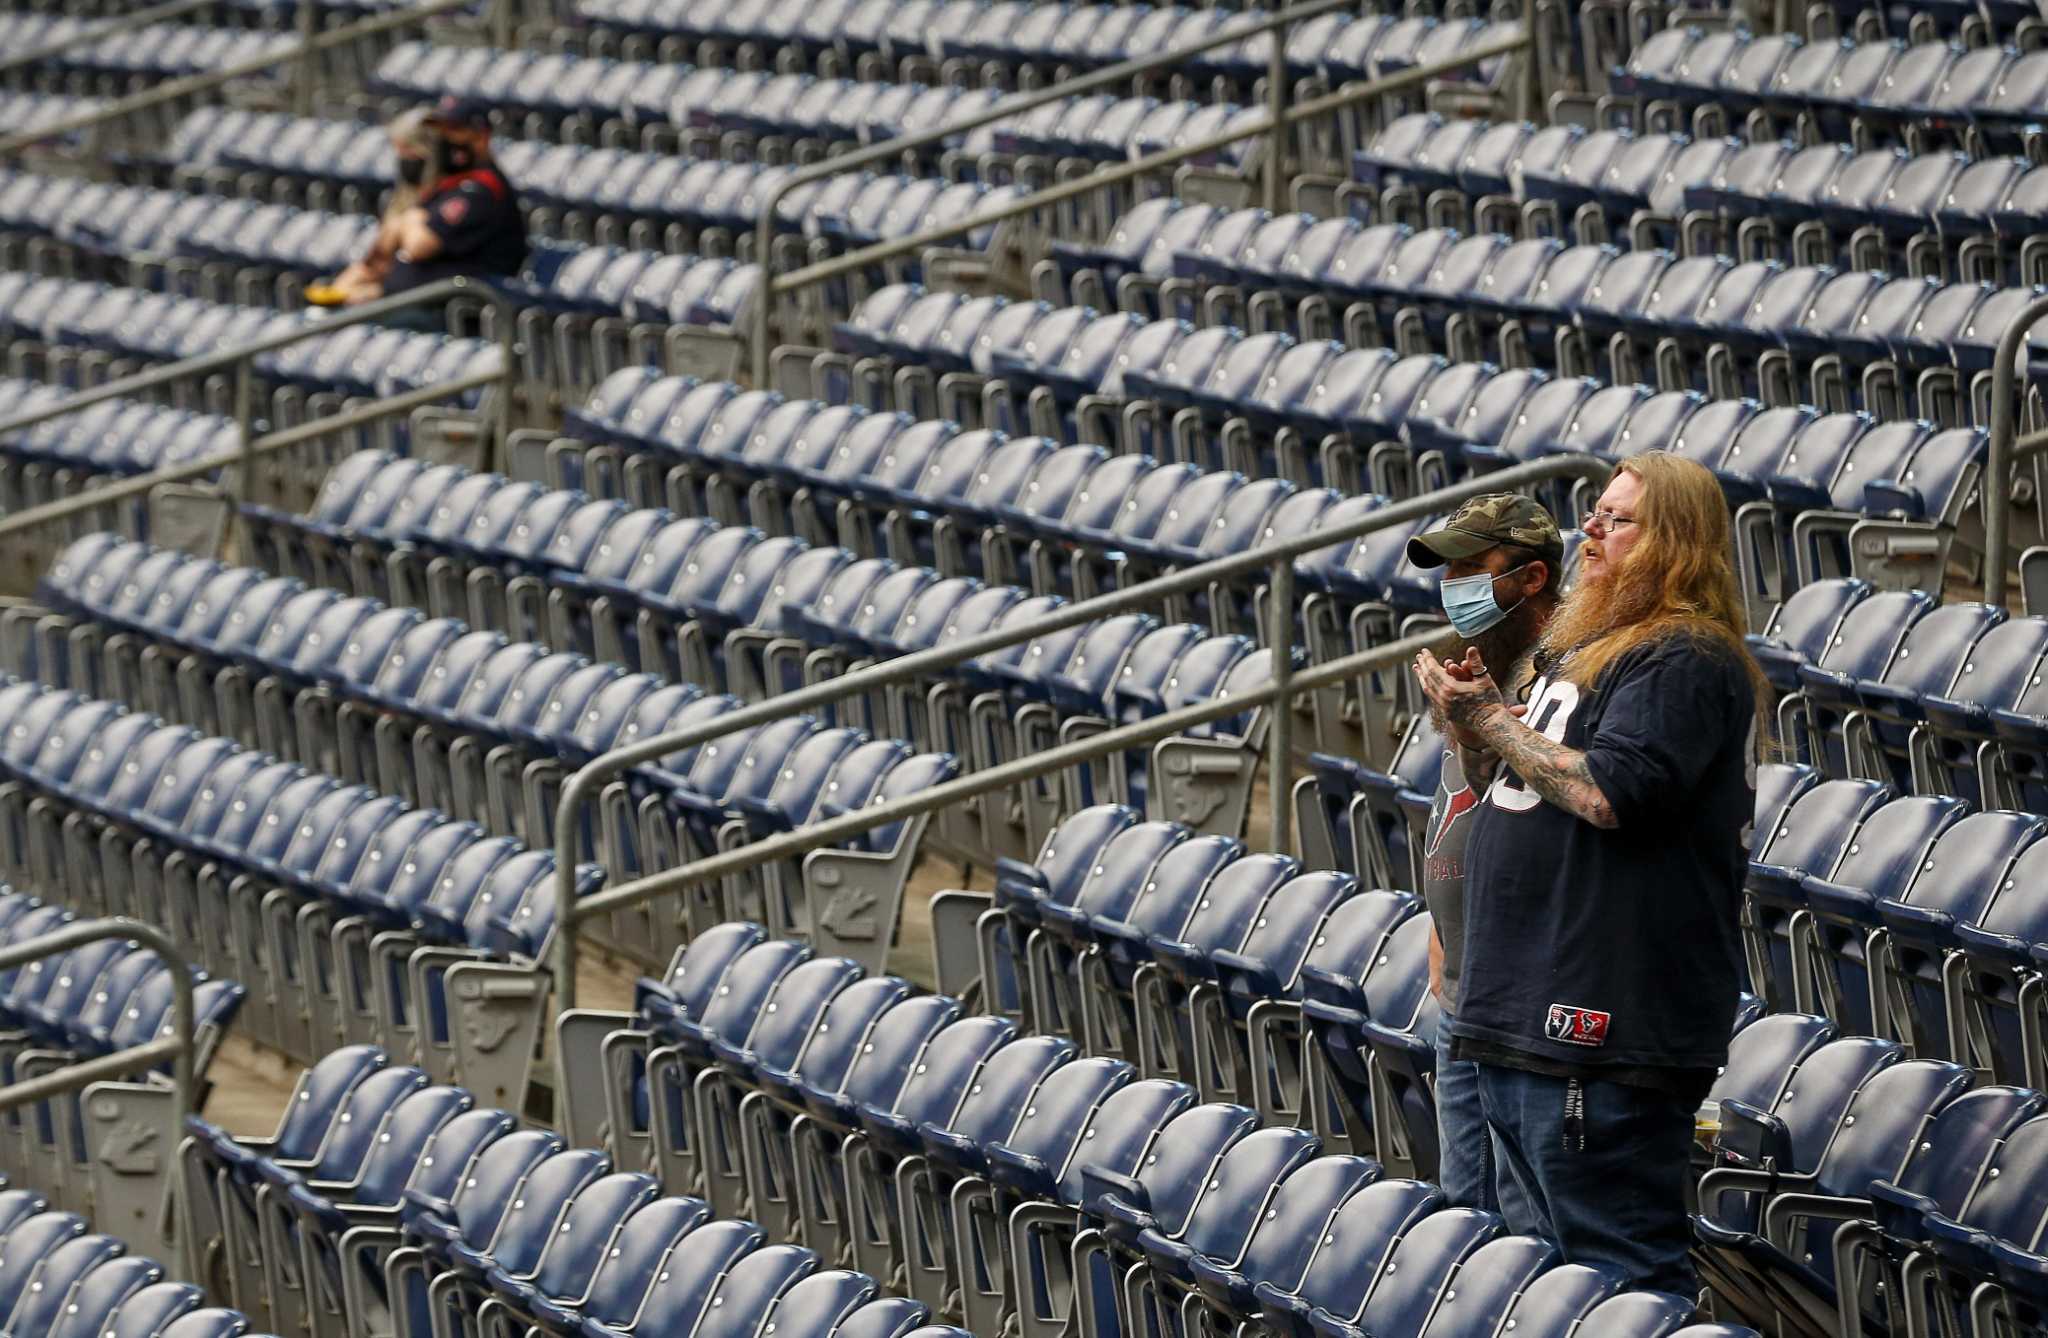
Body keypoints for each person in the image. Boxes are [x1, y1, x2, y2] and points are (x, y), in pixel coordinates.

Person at [1411, 453, 1770, 1295]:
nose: (1591, 530)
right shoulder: (1587, 652)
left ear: (1674, 541)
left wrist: (1490, 722)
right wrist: (1474, 732)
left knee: (1616, 1282)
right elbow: (1516, 791)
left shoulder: (1683, 654)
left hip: (1600, 1022)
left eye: (1615, 518)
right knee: (1544, 1283)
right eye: (1594, 513)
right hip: (1523, 1015)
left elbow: (1615, 794)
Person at [1402, 493, 1565, 1226]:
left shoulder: (1564, 673)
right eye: (1449, 569)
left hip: (1524, 1010)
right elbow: (1465, 806)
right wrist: (1443, 930)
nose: (1454, 585)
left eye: (1473, 567)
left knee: (1531, 1234)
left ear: (1531, 578)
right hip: (1462, 997)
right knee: (1466, 1220)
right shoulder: (1478, 664)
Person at [312, 95, 527, 310]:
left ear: (481, 136)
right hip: (411, 301)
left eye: (454, 130)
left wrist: (409, 219)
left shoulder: (482, 190)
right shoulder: (450, 185)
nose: (445, 139)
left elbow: (418, 245)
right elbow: (384, 248)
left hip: (455, 311)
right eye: (441, 130)